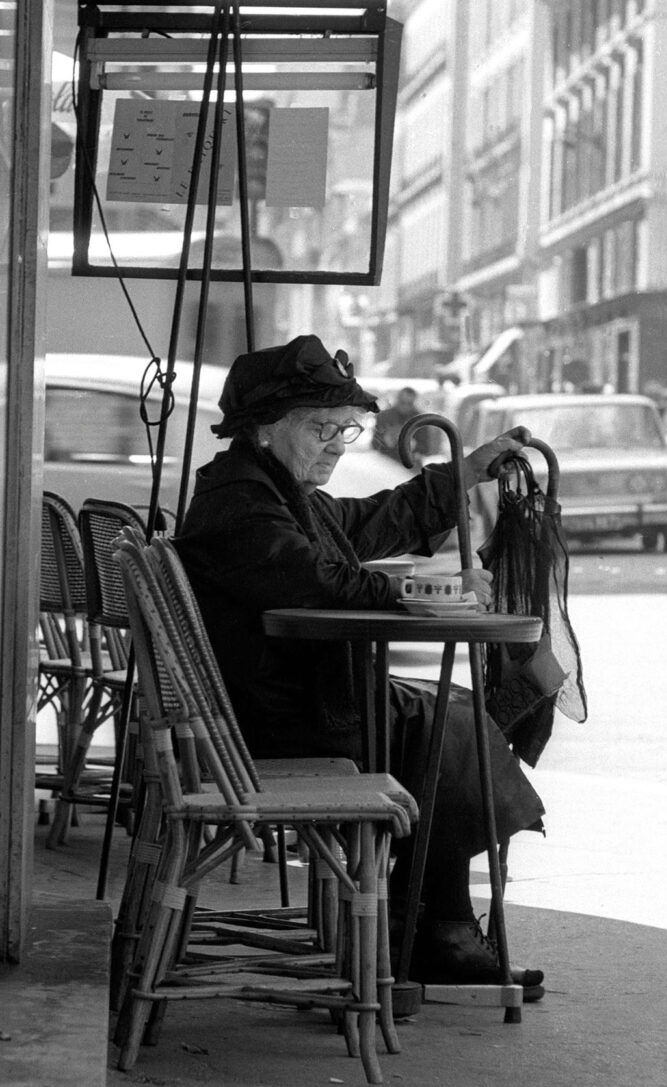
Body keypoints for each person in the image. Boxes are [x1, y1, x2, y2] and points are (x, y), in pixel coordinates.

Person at [175, 334, 545, 994]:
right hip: (270, 725)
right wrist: (424, 590)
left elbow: (370, 522)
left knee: (453, 714)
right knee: (447, 727)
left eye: (343, 427)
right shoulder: (240, 505)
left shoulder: (275, 492)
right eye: (320, 427)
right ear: (264, 428)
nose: (337, 443)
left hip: (278, 703)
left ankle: (428, 922)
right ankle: (431, 930)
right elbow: (320, 580)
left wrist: (469, 469)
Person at [371, 385, 431, 464]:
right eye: (403, 403)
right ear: (397, 400)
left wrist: (414, 446)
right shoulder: (383, 416)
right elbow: (374, 444)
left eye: (409, 404)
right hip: (386, 462)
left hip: (410, 462)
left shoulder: (420, 420)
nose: (405, 407)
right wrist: (385, 440)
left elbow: (426, 449)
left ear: (414, 403)